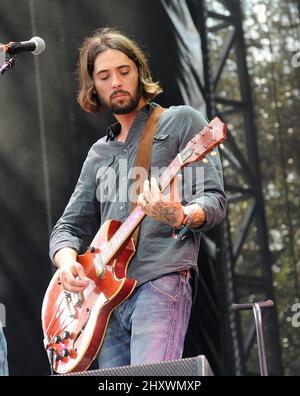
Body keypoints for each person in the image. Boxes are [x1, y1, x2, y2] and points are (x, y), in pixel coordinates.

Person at [49, 27, 227, 369]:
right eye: (104, 76)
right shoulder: (99, 154)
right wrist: (67, 260)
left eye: (124, 71)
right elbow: (68, 227)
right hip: (103, 301)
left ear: (139, 72)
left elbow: (214, 200)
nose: (116, 81)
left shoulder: (180, 122)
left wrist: (180, 215)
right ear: (93, 87)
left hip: (159, 279)